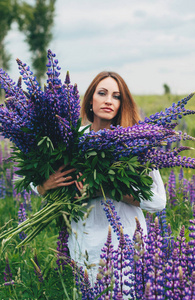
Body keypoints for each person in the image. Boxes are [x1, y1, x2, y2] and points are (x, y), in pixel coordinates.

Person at [34, 71, 166, 285]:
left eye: (116, 96)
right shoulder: (73, 139)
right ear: (90, 100)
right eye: (102, 93)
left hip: (127, 244)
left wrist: (106, 190)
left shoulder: (137, 142)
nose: (108, 100)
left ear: (123, 103)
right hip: (83, 244)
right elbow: (34, 178)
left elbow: (159, 202)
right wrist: (45, 186)